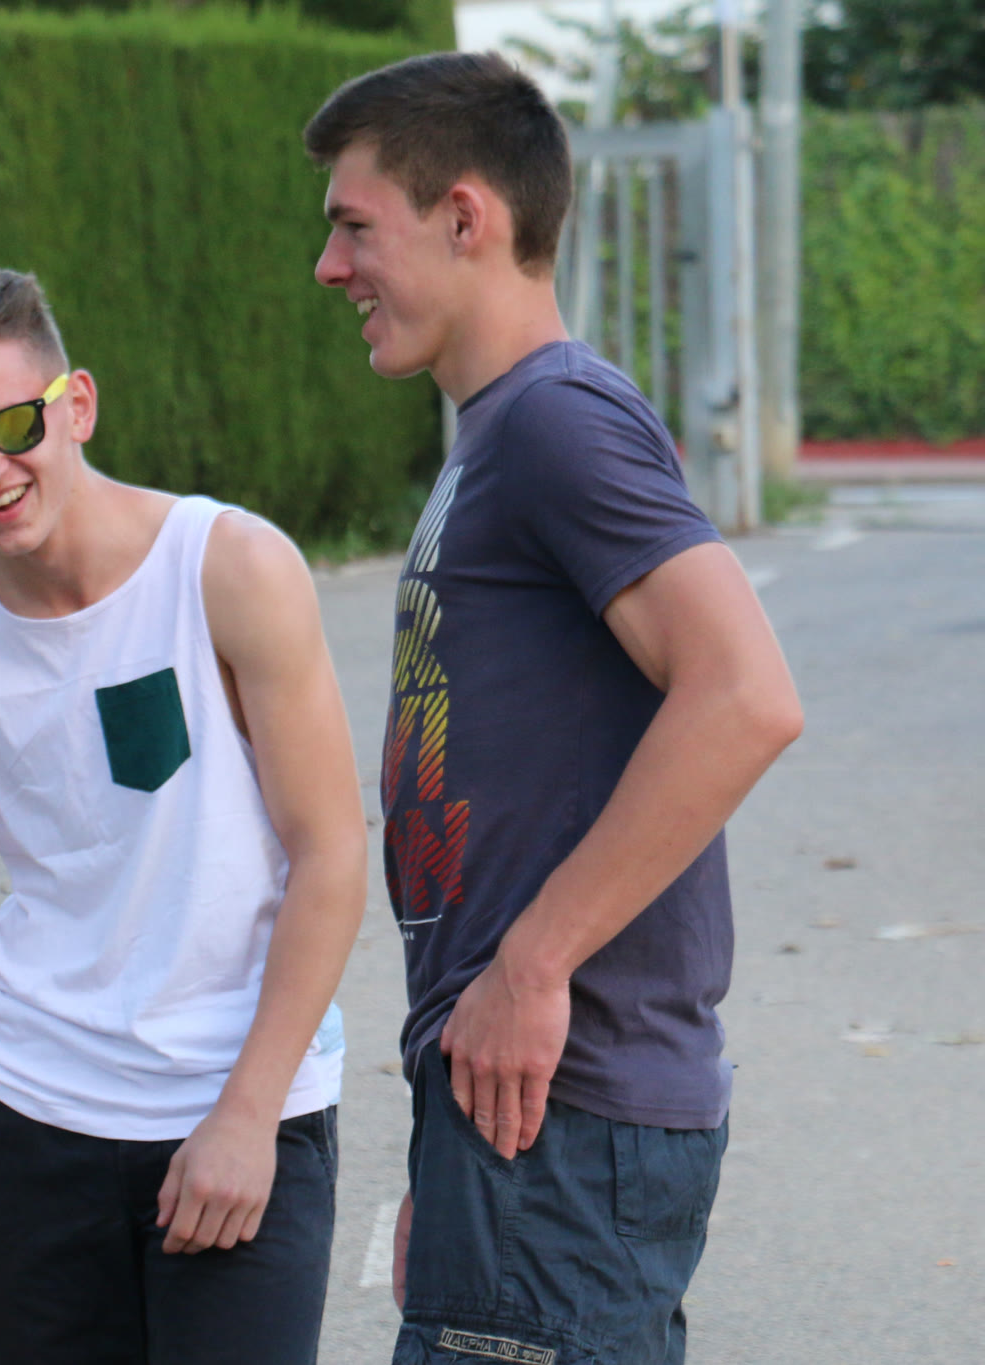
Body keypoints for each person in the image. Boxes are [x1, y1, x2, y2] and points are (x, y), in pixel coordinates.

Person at [304, 53, 804, 1364]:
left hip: (563, 1121)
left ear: (465, 217)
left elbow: (745, 695)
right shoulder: (502, 429)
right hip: (520, 1128)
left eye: (355, 227)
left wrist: (530, 968)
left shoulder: (554, 423)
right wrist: (447, 1141)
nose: (329, 267)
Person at [0, 267, 369, 1362]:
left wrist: (247, 1114)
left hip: (234, 1115)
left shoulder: (229, 569)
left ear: (77, 406)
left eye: (13, 425)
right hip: (38, 1123)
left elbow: (331, 853)